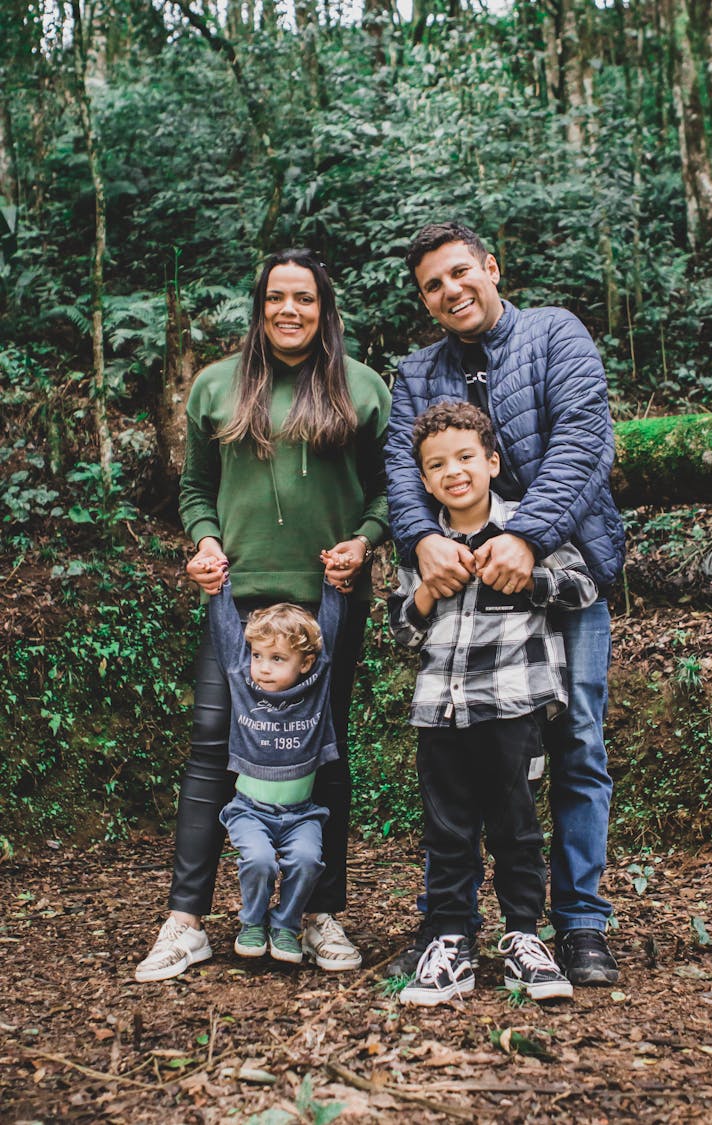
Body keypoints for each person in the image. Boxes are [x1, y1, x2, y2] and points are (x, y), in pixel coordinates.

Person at [135, 248, 391, 983]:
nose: (289, 310)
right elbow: (195, 492)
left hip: (328, 599)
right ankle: (186, 920)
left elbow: (385, 492)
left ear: (323, 308)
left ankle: (317, 912)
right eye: (277, 297)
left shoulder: (362, 389)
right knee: (215, 740)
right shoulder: (218, 386)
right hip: (240, 600)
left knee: (324, 746)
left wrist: (365, 541)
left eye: (304, 298)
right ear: (260, 305)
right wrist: (206, 542)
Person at [385, 221, 625, 986]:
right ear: (425, 301)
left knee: (578, 738)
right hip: (468, 596)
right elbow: (401, 466)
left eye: (461, 273)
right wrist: (422, 539)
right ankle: (447, 925)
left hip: (565, 564)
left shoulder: (555, 334)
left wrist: (525, 534)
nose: (452, 290)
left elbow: (585, 439)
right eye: (433, 284)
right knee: (464, 746)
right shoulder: (419, 372)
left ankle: (578, 923)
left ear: (491, 267)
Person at [389, 403, 597, 1006]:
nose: (453, 472)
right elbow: (402, 630)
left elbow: (580, 586)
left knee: (516, 829)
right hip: (439, 712)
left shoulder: (528, 528)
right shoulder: (422, 548)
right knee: (447, 831)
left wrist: (528, 575)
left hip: (513, 707)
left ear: (491, 462)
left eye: (465, 458)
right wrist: (427, 591)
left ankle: (523, 939)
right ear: (424, 480)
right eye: (437, 465)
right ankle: (451, 941)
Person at [204, 561, 347, 964]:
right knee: (259, 860)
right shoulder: (243, 680)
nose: (263, 667)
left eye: (278, 659)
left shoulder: (316, 685)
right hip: (249, 810)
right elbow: (227, 634)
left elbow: (330, 636)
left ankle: (285, 925)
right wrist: (220, 589)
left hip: (302, 813)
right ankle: (252, 921)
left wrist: (333, 586)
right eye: (259, 655)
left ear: (304, 664)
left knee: (306, 861)